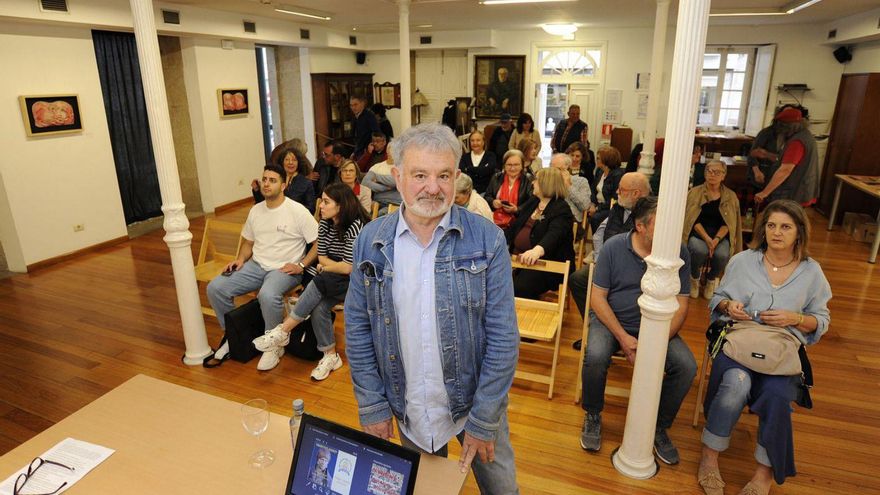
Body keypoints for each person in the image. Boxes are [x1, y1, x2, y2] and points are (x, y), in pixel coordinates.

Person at [345, 123, 520, 494]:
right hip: (408, 407)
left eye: (443, 175)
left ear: (457, 177)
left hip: (476, 403)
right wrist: (372, 405)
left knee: (502, 489)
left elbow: (504, 337)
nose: (432, 187)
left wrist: (485, 418)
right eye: (419, 174)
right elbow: (358, 327)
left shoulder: (487, 238)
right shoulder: (370, 241)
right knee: (427, 490)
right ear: (397, 176)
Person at [699, 200, 831, 495]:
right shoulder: (743, 261)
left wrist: (795, 318)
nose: (777, 232)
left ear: (799, 232)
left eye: (785, 227)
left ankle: (763, 474)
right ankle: (710, 456)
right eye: (771, 225)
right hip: (739, 340)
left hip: (781, 349)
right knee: (736, 383)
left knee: (777, 395)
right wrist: (728, 306)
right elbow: (715, 300)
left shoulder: (812, 272)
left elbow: (821, 321)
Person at [579, 196, 695, 465]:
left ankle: (658, 426)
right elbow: (597, 298)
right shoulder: (614, 247)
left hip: (659, 327)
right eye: (661, 224)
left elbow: (682, 305)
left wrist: (652, 345)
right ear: (640, 227)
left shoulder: (679, 251)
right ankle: (593, 414)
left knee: (687, 367)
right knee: (595, 355)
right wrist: (623, 337)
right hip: (613, 321)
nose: (670, 232)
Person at [206, 164, 319, 365]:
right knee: (215, 288)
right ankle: (232, 336)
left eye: (272, 180)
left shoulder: (297, 211)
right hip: (256, 265)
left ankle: (274, 343)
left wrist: (301, 265)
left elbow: (319, 243)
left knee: (267, 294)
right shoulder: (256, 211)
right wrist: (240, 259)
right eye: (265, 179)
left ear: (283, 185)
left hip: (284, 269)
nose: (266, 184)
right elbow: (249, 243)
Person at [252, 183, 369, 374]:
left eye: (325, 202)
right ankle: (330, 356)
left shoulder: (355, 225)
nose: (320, 206)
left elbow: (349, 268)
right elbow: (321, 258)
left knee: (321, 279)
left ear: (341, 205)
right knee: (319, 306)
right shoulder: (324, 223)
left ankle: (283, 330)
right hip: (332, 279)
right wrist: (331, 267)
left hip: (358, 281)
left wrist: (329, 267)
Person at [569, 171, 650, 352]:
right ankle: (594, 328)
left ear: (636, 193)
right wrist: (600, 259)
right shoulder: (619, 207)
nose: (617, 193)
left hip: (634, 268)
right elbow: (600, 233)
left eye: (621, 189)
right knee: (578, 279)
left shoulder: (648, 214)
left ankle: (622, 334)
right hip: (608, 262)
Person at [506, 167, 575, 299]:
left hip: (547, 264)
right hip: (519, 260)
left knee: (518, 288)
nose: (532, 183)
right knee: (494, 282)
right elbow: (516, 226)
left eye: (536, 180)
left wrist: (536, 251)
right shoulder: (534, 201)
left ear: (546, 183)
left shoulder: (561, 208)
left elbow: (554, 235)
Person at [682, 160, 743, 300]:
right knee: (698, 250)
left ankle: (711, 279)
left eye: (717, 172)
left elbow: (729, 223)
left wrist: (715, 240)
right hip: (698, 233)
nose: (712, 174)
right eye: (709, 171)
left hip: (720, 235)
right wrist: (707, 239)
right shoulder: (694, 193)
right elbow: (692, 220)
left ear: (723, 176)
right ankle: (694, 277)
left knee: (722, 254)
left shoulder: (730, 196)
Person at [754, 107, 820, 207]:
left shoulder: (797, 142)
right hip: (804, 188)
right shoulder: (806, 135)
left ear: (786, 127)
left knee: (785, 218)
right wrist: (767, 155)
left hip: (795, 192)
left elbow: (785, 170)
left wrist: (764, 193)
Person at [252, 144, 315, 213]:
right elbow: (264, 202)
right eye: (287, 159)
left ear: (298, 163)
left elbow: (311, 208)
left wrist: (293, 211)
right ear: (282, 162)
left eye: (294, 160)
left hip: (295, 218)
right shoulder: (276, 180)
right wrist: (257, 190)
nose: (290, 162)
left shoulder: (306, 182)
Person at [484, 149, 532, 231]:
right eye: (509, 164)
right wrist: (493, 202)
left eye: (516, 165)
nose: (512, 168)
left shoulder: (529, 179)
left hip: (519, 221)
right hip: (496, 220)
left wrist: (517, 209)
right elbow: (487, 196)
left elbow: (532, 202)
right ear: (504, 166)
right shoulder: (496, 177)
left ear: (522, 165)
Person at [588, 146, 625, 233]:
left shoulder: (618, 175)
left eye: (598, 158)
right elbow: (593, 189)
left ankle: (599, 242)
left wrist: (597, 208)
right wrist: (593, 204)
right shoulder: (599, 171)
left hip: (611, 208)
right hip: (598, 205)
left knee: (596, 218)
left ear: (606, 160)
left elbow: (615, 198)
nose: (596, 160)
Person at [549, 153, 592, 226]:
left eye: (559, 169)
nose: (554, 173)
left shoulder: (581, 181)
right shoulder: (548, 181)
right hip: (550, 217)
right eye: (552, 169)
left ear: (568, 169)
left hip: (570, 220)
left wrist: (568, 186)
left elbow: (585, 205)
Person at [362, 141, 401, 212]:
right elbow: (365, 183)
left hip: (397, 203)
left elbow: (396, 180)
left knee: (382, 213)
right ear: (387, 150)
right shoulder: (377, 167)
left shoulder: (402, 167)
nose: (393, 153)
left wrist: (377, 177)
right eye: (391, 150)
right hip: (378, 202)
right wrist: (386, 187)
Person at [458, 130, 498, 195]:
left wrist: (469, 169)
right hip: (467, 192)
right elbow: (463, 174)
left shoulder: (491, 156)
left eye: (478, 140)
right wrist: (481, 171)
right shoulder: (464, 157)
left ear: (483, 142)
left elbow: (489, 170)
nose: (475, 143)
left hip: (485, 192)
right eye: (472, 140)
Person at [747, 119, 782, 192]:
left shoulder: (791, 135)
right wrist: (757, 172)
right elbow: (752, 154)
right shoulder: (766, 133)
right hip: (763, 172)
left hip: (777, 174)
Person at [350, 95, 380, 160]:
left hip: (367, 151)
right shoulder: (355, 116)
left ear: (362, 104)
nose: (353, 107)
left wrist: (369, 148)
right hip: (358, 149)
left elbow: (376, 132)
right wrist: (355, 151)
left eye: (355, 105)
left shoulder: (369, 115)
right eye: (351, 105)